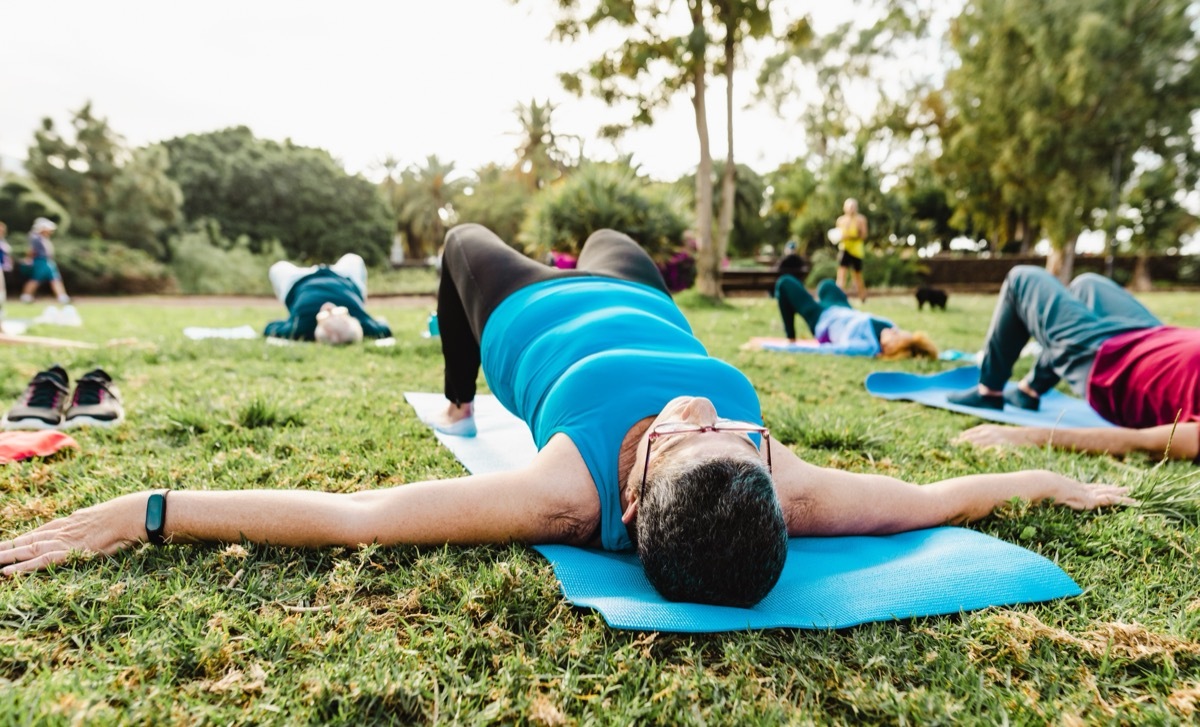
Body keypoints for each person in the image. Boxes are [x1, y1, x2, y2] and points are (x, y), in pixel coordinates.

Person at [0, 227, 1132, 607]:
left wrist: (142, 509)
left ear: (630, 503)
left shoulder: (562, 491)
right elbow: (946, 496)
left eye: (684, 436)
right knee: (621, 235)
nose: (707, 413)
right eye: (733, 434)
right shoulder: (776, 488)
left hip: (527, 310)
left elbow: (355, 516)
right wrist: (1069, 480)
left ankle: (450, 382)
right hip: (633, 289)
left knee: (456, 248)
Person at [949, 266, 1200, 461]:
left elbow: (1145, 442)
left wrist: (1025, 436)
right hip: (1151, 335)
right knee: (1088, 284)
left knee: (1023, 278)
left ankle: (989, 391)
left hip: (1111, 365)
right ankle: (1030, 390)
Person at [774, 275, 938, 359]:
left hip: (822, 318)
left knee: (785, 283)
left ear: (886, 350)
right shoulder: (889, 325)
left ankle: (791, 336)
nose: (894, 330)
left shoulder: (865, 346)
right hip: (843, 308)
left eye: (895, 336)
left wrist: (784, 347)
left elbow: (829, 350)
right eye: (898, 331)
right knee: (827, 285)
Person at [264, 253, 392, 344]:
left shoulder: (301, 327)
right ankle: (363, 301)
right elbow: (384, 328)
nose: (329, 308)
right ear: (351, 318)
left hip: (299, 280)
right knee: (354, 259)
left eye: (327, 317)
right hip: (342, 276)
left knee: (277, 268)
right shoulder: (361, 319)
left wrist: (292, 320)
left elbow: (270, 327)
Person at [19, 218, 70, 304]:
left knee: (55, 278)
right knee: (35, 279)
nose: (50, 231)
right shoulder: (36, 238)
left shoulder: (43, 238)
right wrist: (28, 259)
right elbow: (31, 250)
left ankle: (62, 297)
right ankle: (26, 296)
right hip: (40, 261)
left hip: (48, 261)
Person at [834, 198, 869, 303]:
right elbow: (838, 234)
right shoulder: (841, 220)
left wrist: (851, 236)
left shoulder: (861, 219)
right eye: (849, 207)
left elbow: (863, 235)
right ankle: (838, 296)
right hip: (844, 249)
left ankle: (862, 297)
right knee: (841, 273)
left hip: (856, 251)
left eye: (853, 207)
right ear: (845, 208)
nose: (851, 209)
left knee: (857, 275)